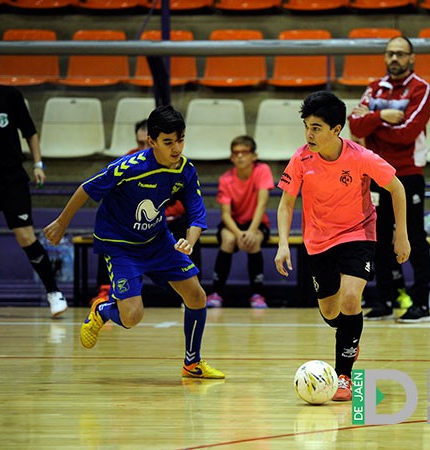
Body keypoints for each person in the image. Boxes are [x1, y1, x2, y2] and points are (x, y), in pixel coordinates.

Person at [44, 105, 224, 379]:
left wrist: (189, 241)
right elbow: (86, 189)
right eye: (168, 142)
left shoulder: (185, 170)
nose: (176, 148)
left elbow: (197, 212)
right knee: (132, 316)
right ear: (151, 142)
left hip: (158, 241)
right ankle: (103, 310)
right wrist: (61, 222)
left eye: (180, 140)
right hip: (120, 246)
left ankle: (192, 363)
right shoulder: (129, 168)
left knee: (196, 295)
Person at [275, 91, 410, 401]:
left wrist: (400, 235)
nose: (310, 134)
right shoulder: (300, 159)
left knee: (351, 300)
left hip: (357, 234)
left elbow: (397, 188)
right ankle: (350, 333)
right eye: (307, 126)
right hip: (318, 241)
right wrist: (284, 244)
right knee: (330, 311)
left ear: (337, 130)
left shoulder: (360, 157)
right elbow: (285, 205)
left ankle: (344, 376)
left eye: (317, 127)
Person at [0, 41, 68, 318]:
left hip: (10, 177)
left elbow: (30, 131)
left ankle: (54, 292)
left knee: (24, 234)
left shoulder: (9, 96)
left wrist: (38, 163)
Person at [348, 36, 430, 323]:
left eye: (400, 54)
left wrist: (371, 121)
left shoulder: (420, 88)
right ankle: (384, 300)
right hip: (374, 174)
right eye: (390, 54)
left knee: (414, 238)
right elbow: (354, 124)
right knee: (377, 238)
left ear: (412, 58)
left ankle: (421, 304)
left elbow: (406, 134)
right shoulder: (374, 88)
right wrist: (382, 114)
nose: (394, 58)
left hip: (408, 174)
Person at [89, 119, 202, 305]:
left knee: (189, 229)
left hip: (164, 221)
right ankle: (105, 289)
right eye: (140, 143)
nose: (143, 147)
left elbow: (187, 204)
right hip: (131, 225)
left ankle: (190, 288)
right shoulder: (129, 163)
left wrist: (160, 214)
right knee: (109, 232)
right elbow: (109, 196)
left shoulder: (177, 164)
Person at [205, 135, 274, 309]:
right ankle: (216, 293)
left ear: (254, 156)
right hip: (234, 224)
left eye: (244, 152)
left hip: (256, 224)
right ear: (231, 157)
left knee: (254, 241)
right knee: (228, 240)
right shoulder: (226, 179)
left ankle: (257, 294)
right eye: (236, 153)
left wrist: (251, 231)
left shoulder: (262, 170)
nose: (240, 156)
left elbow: (262, 204)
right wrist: (238, 233)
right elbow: (225, 215)